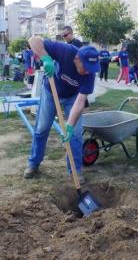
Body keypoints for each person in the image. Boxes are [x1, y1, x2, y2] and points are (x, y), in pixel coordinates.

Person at [23, 36, 100, 184]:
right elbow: (33, 40)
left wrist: (69, 125)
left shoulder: (90, 75)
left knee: (76, 134)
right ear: (77, 59)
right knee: (42, 128)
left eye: (91, 69)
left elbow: (80, 101)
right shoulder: (65, 51)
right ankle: (33, 163)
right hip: (51, 93)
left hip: (73, 98)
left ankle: (75, 171)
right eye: (86, 68)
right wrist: (45, 58)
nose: (88, 72)